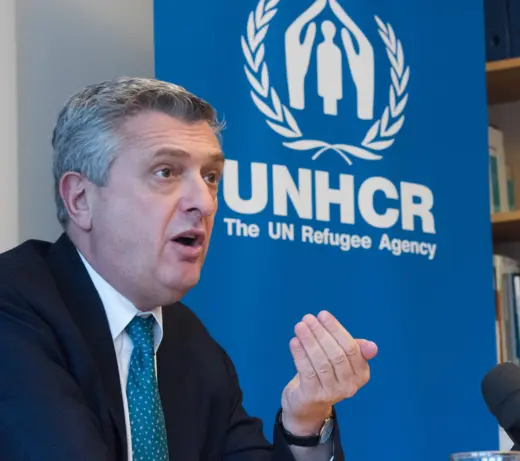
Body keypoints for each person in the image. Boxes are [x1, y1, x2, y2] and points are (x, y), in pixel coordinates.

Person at [0, 77, 378, 461]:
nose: (205, 203)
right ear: (80, 199)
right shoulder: (12, 308)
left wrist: (305, 421)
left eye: (211, 177)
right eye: (166, 172)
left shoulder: (191, 344)